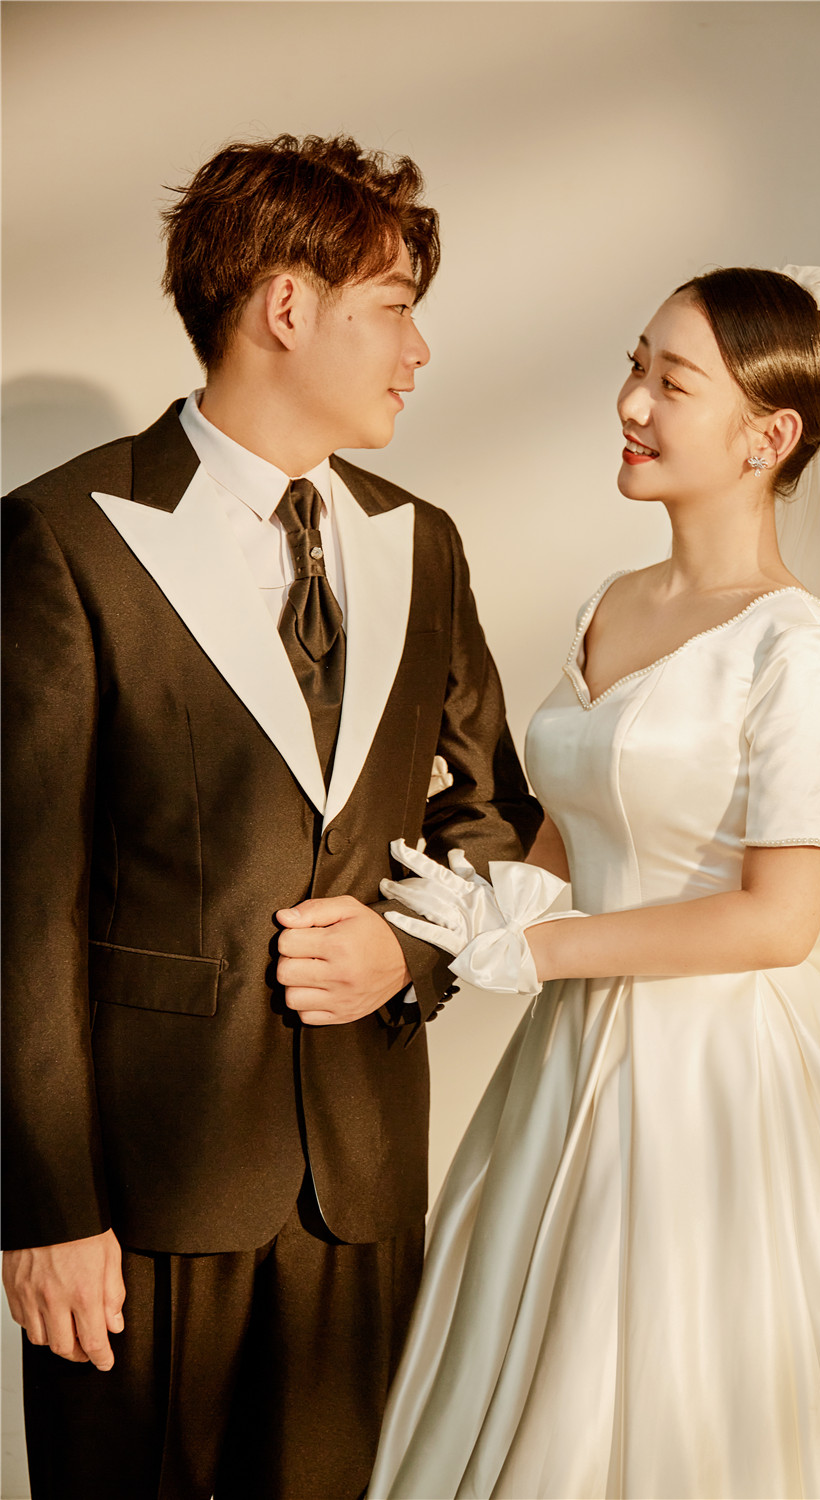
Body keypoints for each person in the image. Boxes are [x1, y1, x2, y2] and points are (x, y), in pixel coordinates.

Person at [369, 266, 820, 1498]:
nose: (631, 403)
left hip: (720, 1077)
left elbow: (780, 920)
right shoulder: (612, 605)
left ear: (769, 437)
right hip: (570, 1060)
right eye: (634, 366)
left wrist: (537, 948)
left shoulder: (794, 645)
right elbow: (578, 825)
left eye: (673, 382)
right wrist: (504, 902)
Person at [1, 133, 541, 1500]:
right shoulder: (64, 536)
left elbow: (496, 811)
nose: (418, 351)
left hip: (360, 1187)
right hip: (140, 1191)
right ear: (286, 306)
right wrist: (44, 1211)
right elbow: (18, 901)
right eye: (395, 308)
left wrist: (407, 952)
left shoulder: (421, 540)